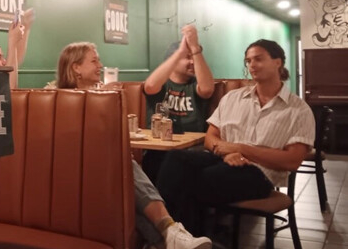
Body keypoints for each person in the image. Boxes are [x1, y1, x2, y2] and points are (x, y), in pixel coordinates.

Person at [55, 42, 212, 249]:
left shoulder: (100, 95)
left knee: (126, 181)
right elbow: (71, 140)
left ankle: (164, 239)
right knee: (126, 167)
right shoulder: (58, 97)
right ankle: (169, 231)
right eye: (94, 61)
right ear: (76, 68)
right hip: (70, 168)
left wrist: (106, 102)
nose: (100, 65)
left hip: (100, 167)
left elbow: (107, 137)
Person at [155, 39, 315, 236]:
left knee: (192, 180)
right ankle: (180, 237)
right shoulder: (233, 98)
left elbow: (292, 161)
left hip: (260, 175)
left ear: (278, 62)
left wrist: (242, 149)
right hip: (221, 160)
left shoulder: (298, 110)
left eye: (258, 59)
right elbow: (210, 138)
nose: (251, 65)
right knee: (174, 158)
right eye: (248, 61)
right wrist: (224, 153)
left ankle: (172, 236)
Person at [141, 24, 214, 181]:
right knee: (153, 160)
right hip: (158, 149)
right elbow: (150, 86)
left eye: (193, 57)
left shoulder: (196, 84)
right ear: (172, 60)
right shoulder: (162, 85)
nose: (193, 62)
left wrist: (195, 49)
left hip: (191, 149)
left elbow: (207, 89)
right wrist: (181, 51)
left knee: (177, 162)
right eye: (188, 58)